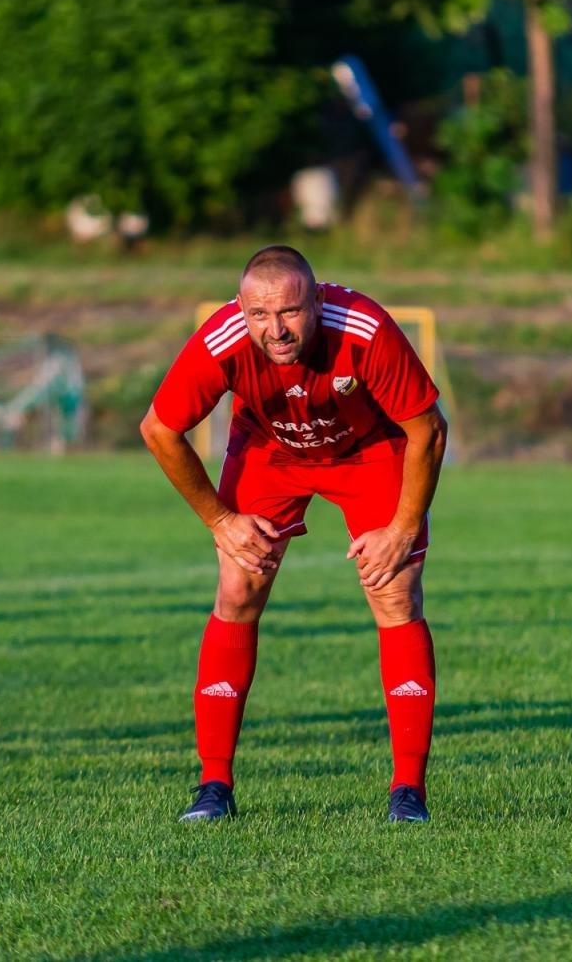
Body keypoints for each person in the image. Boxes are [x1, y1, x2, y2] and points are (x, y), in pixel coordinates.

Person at [141, 245, 447, 823]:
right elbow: (160, 429)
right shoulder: (222, 340)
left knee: (395, 591)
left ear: (317, 300)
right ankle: (213, 788)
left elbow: (427, 429)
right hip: (271, 452)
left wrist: (404, 529)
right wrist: (221, 521)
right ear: (241, 308)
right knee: (238, 587)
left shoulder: (364, 328)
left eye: (290, 312)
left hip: (370, 452)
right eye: (260, 315)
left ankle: (408, 792)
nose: (275, 329)